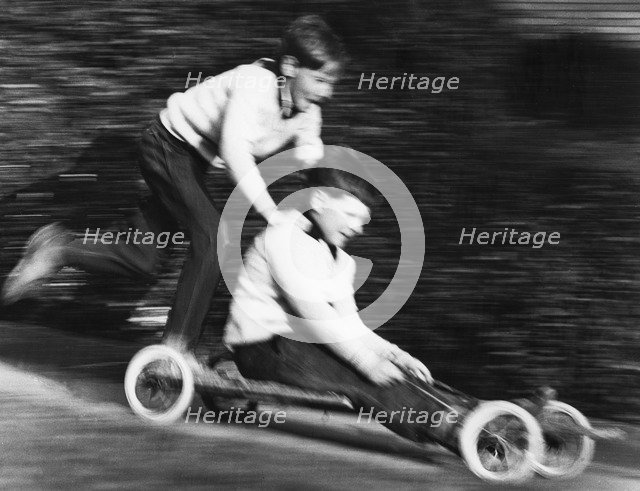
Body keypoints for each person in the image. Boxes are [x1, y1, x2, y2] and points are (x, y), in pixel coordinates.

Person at [2, 15, 345, 354]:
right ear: (290, 65)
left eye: (331, 83)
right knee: (214, 237)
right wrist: (272, 212)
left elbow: (312, 162)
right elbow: (235, 151)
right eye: (319, 80)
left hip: (192, 163)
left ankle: (57, 248)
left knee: (142, 259)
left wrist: (325, 211)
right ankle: (177, 348)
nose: (326, 93)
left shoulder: (308, 113)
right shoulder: (252, 84)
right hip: (166, 145)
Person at [222, 161, 475, 448]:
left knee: (391, 369)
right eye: (351, 214)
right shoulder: (281, 237)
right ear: (318, 200)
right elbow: (314, 315)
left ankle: (477, 413)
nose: (358, 228)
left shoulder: (341, 261)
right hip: (263, 347)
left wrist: (395, 355)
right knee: (361, 376)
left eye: (363, 221)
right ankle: (449, 426)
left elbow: (349, 326)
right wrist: (366, 362)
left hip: (303, 343)